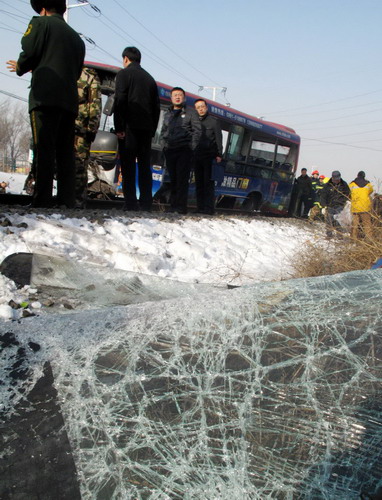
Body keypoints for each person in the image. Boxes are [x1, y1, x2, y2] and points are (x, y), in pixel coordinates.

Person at [6, 0, 85, 208]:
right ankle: (66, 200)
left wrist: (21, 66)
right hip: (68, 100)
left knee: (44, 147)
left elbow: (30, 49)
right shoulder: (77, 39)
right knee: (65, 151)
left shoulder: (41, 23)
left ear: (42, 9)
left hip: (45, 96)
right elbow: (76, 72)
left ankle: (42, 199)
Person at [113, 46, 160, 211]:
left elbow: (120, 100)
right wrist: (152, 130)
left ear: (126, 59)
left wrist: (119, 127)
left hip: (129, 127)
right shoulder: (150, 79)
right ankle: (146, 203)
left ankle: (131, 203)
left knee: (128, 165)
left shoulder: (123, 74)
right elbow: (156, 108)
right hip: (146, 129)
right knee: (144, 165)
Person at [159, 87, 201, 214]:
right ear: (171, 98)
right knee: (173, 179)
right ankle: (173, 206)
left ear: (184, 98)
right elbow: (163, 131)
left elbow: (197, 131)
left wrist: (191, 148)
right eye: (175, 95)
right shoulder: (168, 113)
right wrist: (163, 146)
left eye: (180, 95)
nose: (177, 97)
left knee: (182, 179)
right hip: (170, 150)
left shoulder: (191, 113)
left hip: (184, 150)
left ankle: (181, 207)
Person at [74, 67, 102, 208]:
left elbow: (95, 105)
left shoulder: (88, 76)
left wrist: (91, 129)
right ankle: (64, 198)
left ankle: (77, 202)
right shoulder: (63, 69)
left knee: (79, 165)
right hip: (61, 127)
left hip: (80, 129)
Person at [193, 99, 223, 215]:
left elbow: (219, 140)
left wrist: (219, 154)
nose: (200, 109)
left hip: (209, 156)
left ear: (206, 107)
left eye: (202, 106)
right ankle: (199, 207)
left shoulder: (214, 122)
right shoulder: (194, 122)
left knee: (208, 184)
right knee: (199, 183)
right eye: (198, 107)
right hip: (197, 156)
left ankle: (209, 208)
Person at [320, 170, 350, 238]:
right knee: (329, 220)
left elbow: (347, 194)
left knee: (338, 220)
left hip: (340, 205)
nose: (337, 181)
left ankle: (339, 235)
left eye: (338, 179)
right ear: (332, 178)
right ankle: (329, 235)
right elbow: (323, 196)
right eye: (335, 180)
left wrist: (346, 201)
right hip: (330, 205)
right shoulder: (328, 185)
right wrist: (323, 206)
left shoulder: (344, 185)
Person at [349, 171, 374, 240]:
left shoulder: (352, 184)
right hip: (365, 207)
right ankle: (370, 240)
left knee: (355, 225)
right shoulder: (368, 184)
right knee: (367, 225)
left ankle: (353, 239)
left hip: (355, 207)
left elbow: (349, 193)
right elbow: (371, 191)